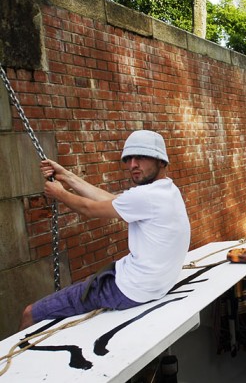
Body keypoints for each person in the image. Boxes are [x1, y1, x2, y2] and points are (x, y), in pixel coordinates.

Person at [19, 130, 191, 330]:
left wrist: (60, 193)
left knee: (30, 313)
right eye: (129, 159)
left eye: (141, 157)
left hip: (129, 290)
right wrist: (66, 176)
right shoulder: (167, 191)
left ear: (161, 161)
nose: (132, 165)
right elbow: (109, 200)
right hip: (149, 286)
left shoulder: (146, 196)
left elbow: (89, 209)